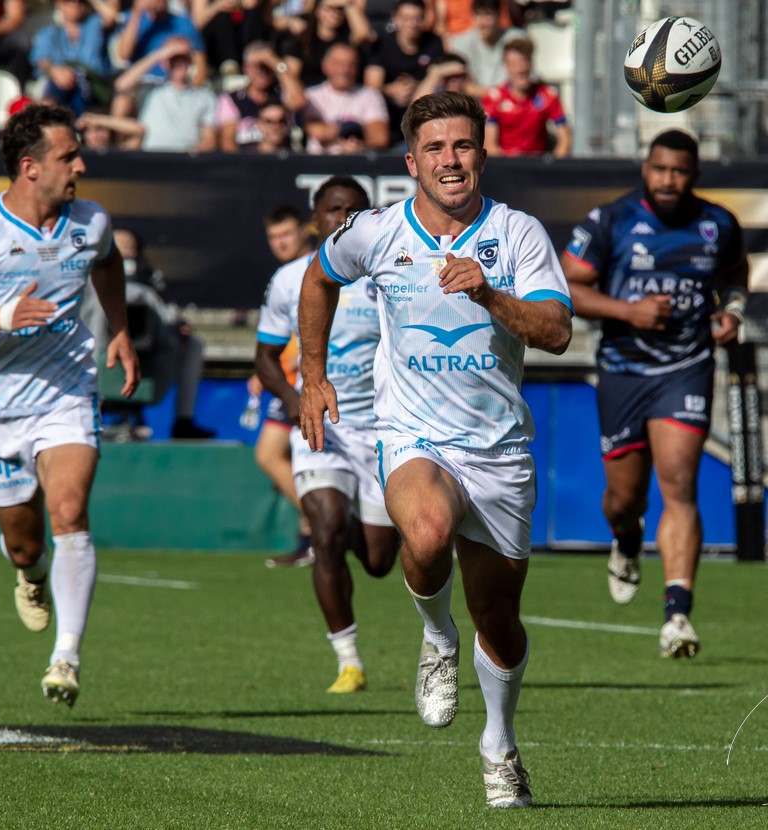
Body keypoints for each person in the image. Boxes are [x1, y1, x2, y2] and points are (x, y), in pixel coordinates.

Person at [297, 91, 573, 807]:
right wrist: (315, 376)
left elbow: (554, 332)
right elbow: (317, 277)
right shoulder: (377, 232)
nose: (451, 161)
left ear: (482, 153)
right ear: (411, 161)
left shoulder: (516, 234)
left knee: (502, 622)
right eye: (436, 148)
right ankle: (434, 636)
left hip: (499, 450)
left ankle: (499, 744)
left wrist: (489, 297)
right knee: (424, 532)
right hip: (411, 435)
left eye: (463, 146)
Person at [0, 103, 140, 707]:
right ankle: (30, 575)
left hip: (66, 392)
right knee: (25, 541)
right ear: (30, 167)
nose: (81, 166)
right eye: (69, 156)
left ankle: (66, 657)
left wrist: (118, 327)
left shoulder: (91, 222)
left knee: (69, 510)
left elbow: (108, 261)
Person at [559, 128, 749, 660]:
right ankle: (624, 538)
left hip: (686, 368)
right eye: (660, 169)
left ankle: (677, 614)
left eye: (680, 171)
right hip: (623, 371)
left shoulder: (718, 223)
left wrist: (733, 312)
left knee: (680, 483)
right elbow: (567, 286)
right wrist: (628, 311)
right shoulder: (612, 220)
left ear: (695, 175)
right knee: (625, 501)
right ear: (646, 168)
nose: (669, 180)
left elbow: (736, 276)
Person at [256, 176, 400, 693]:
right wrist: (298, 402)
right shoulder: (293, 278)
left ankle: (360, 526)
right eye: (333, 210)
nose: (343, 219)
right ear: (315, 220)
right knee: (324, 526)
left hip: (384, 429)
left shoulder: (386, 274)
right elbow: (266, 357)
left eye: (354, 211)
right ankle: (349, 661)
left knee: (381, 562)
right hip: (322, 428)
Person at [111, 228, 215, 439]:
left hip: (149, 351)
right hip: (103, 350)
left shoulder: (149, 279)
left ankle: (183, 421)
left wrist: (178, 325)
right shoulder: (92, 274)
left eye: (130, 249)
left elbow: (165, 312)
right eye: (119, 248)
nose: (126, 255)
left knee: (193, 344)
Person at [256, 203, 314, 568]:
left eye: (286, 235)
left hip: (318, 383)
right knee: (280, 458)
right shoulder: (285, 275)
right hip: (290, 385)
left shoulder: (320, 268)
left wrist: (290, 356)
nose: (280, 243)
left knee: (275, 454)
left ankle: (324, 529)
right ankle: (314, 536)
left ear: (304, 231)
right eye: (273, 237)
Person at [116, 35, 218, 152]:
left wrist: (192, 154)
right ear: (164, 62)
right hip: (152, 157)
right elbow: (121, 85)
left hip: (185, 161)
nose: (179, 63)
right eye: (173, 59)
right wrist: (160, 54)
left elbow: (209, 140)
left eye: (184, 58)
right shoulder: (150, 88)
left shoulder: (204, 96)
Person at [363, 0, 444, 145]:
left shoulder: (434, 43)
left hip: (424, 113)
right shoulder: (382, 43)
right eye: (406, 18)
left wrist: (416, 87)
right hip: (388, 114)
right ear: (395, 18)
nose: (412, 24)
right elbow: (372, 85)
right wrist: (391, 90)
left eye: (417, 18)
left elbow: (440, 81)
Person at [481, 36, 569, 158]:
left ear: (532, 63)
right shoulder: (494, 98)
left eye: (524, 62)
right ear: (506, 66)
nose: (520, 69)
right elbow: (490, 146)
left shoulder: (547, 95)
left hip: (537, 167)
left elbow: (564, 139)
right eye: (514, 64)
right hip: (505, 166)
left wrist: (553, 166)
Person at [29, 0, 118, 117]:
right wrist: (55, 71)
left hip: (92, 87)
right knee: (54, 90)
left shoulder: (94, 25)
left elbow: (111, 16)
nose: (75, 4)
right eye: (69, 1)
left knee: (79, 80)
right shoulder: (48, 33)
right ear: (59, 4)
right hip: (59, 86)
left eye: (80, 1)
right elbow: (42, 60)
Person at [300, 40, 389, 153]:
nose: (345, 70)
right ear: (325, 66)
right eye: (339, 64)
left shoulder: (370, 96)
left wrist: (360, 145)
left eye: (351, 65)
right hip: (318, 164)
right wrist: (355, 129)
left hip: (358, 163)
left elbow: (380, 138)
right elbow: (319, 133)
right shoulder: (311, 96)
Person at [447, 0, 522, 97]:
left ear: (499, 16)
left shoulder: (516, 39)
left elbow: (522, 81)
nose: (483, 22)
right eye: (478, 15)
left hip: (510, 103)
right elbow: (461, 86)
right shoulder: (459, 43)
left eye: (488, 15)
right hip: (473, 104)